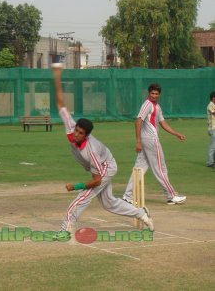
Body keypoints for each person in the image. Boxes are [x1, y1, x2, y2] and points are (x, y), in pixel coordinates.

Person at [51, 63, 154, 238]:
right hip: (99, 166)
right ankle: (141, 213)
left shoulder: (90, 151)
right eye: (76, 131)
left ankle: (65, 229)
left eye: (81, 133)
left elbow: (97, 180)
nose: (76, 134)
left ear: (86, 136)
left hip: (106, 166)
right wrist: (57, 75)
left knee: (82, 198)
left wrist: (76, 186)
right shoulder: (71, 127)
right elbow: (61, 103)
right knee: (109, 203)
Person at [123, 83, 187, 205]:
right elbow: (138, 120)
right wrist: (138, 141)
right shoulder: (147, 104)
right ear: (149, 93)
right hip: (151, 140)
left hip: (147, 140)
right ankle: (171, 196)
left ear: (159, 94)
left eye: (156, 94)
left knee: (139, 169)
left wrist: (176, 134)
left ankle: (127, 195)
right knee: (161, 169)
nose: (154, 95)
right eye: (152, 93)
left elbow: (163, 123)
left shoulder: (157, 107)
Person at [206, 91, 215, 168]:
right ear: (213, 98)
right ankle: (210, 162)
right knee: (212, 146)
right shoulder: (210, 105)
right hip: (212, 129)